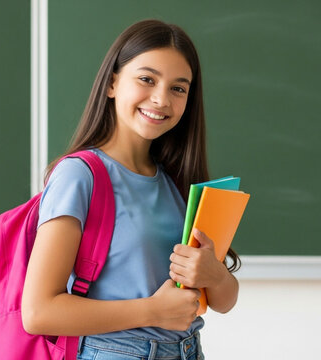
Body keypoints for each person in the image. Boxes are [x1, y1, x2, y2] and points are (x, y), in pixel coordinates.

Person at [21, 19, 240, 360]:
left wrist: (215, 274)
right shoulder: (79, 176)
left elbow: (223, 302)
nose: (161, 98)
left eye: (178, 88)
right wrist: (152, 311)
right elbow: (38, 312)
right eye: (147, 79)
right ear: (112, 83)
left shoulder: (176, 180)